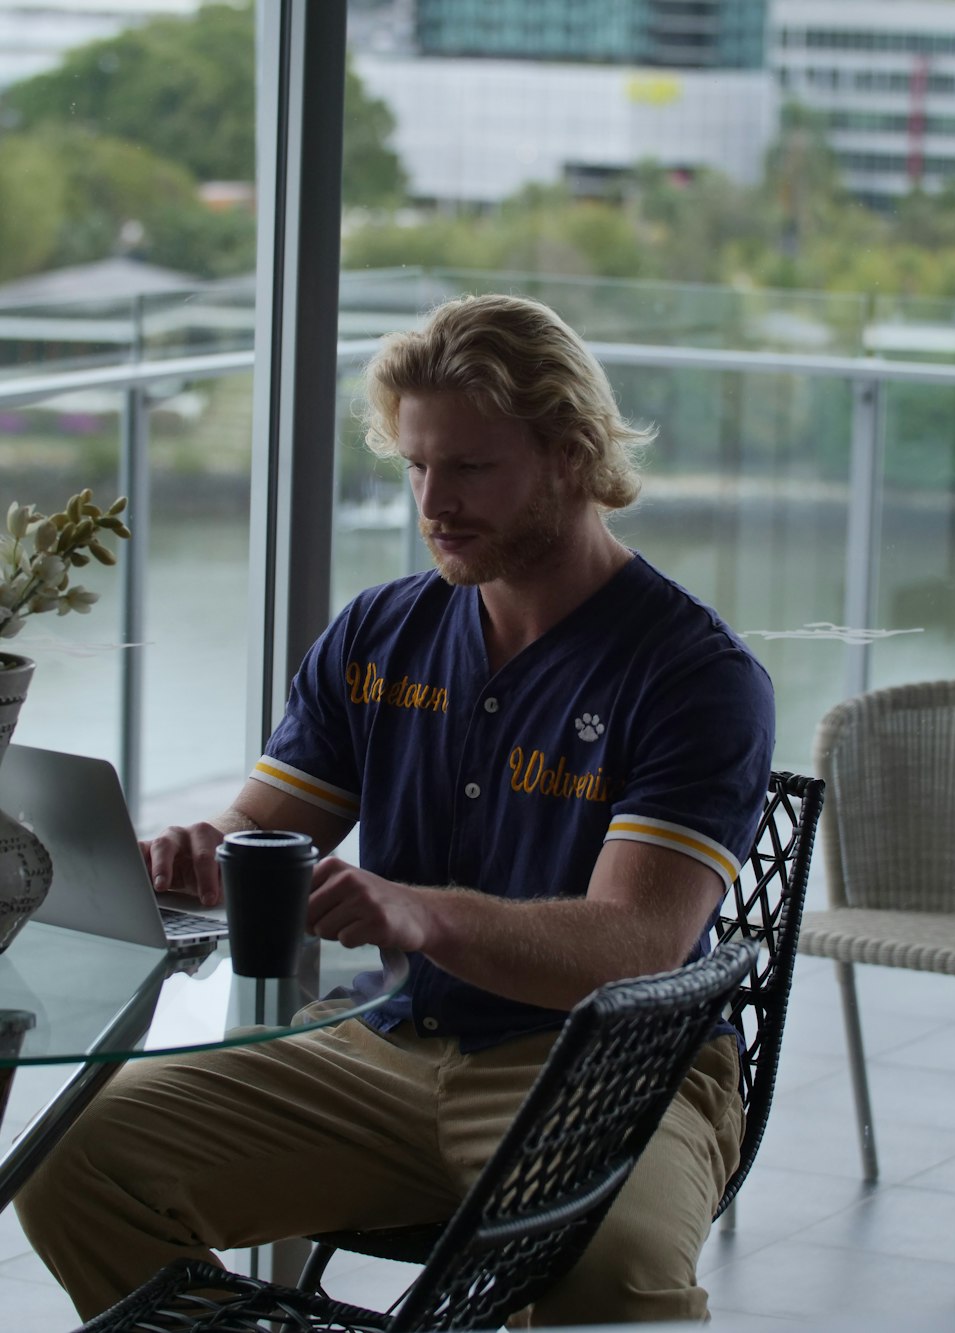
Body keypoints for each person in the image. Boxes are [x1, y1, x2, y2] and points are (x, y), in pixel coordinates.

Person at [15, 293, 775, 1324]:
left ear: (570, 456)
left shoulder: (692, 675)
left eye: (468, 468)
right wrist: (205, 856)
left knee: (612, 1278)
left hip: (601, 1072)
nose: (432, 501)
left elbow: (631, 946)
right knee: (76, 1163)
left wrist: (419, 911)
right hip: (378, 1043)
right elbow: (263, 836)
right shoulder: (378, 633)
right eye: (415, 465)